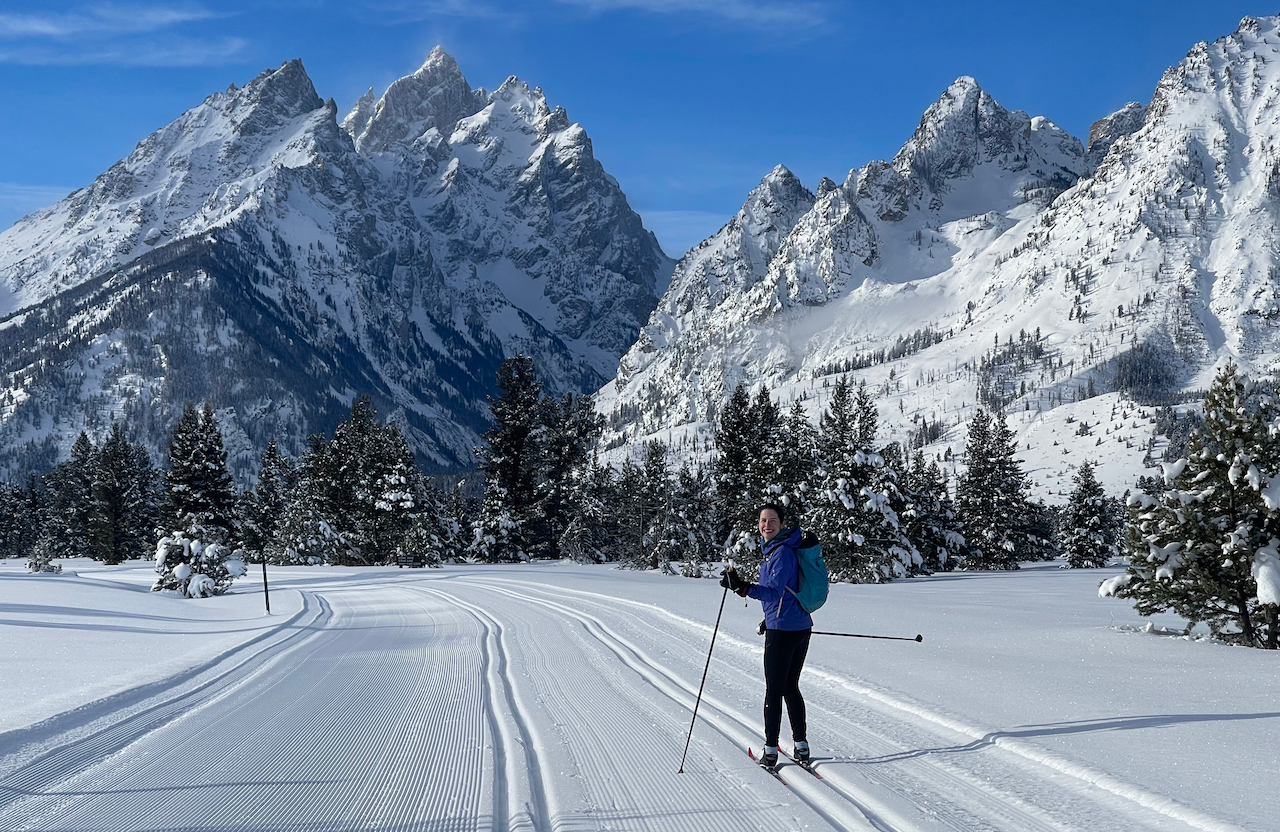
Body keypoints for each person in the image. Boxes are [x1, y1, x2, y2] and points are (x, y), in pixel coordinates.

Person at [721, 502, 812, 769]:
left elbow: (774, 593)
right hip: (796, 626)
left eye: (773, 520)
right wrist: (768, 618)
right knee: (790, 687)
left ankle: (771, 751)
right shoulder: (778, 550)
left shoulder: (781, 553)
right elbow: (786, 592)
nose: (767, 525)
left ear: (782, 524)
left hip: (784, 631)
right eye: (763, 520)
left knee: (775, 690)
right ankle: (801, 747)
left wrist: (742, 588)